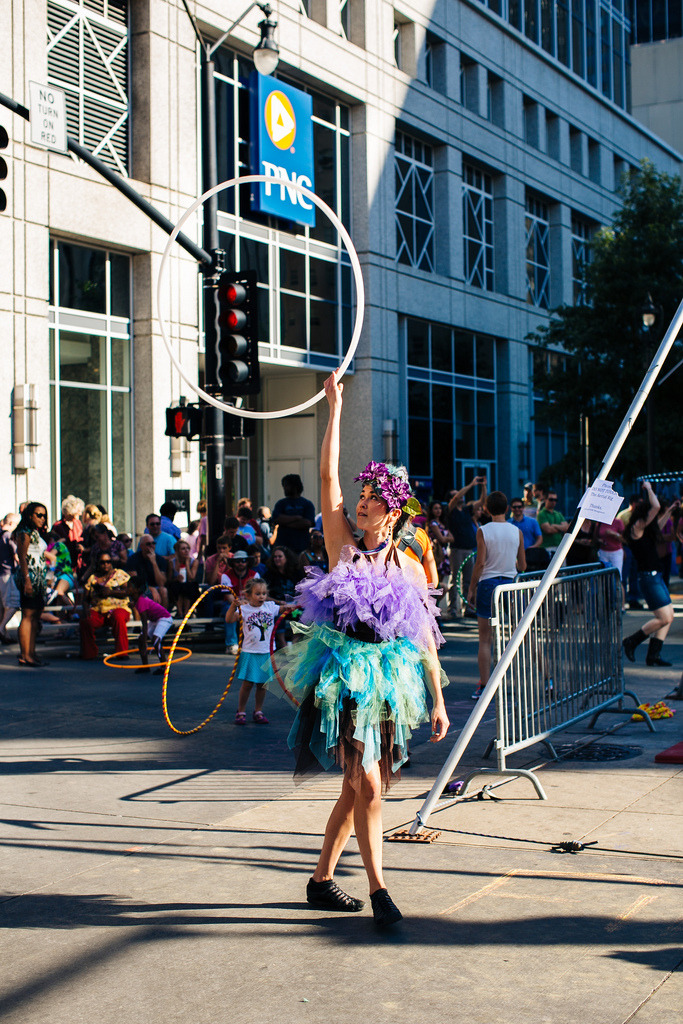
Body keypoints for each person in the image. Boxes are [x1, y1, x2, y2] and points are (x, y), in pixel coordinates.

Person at [273, 370, 449, 929]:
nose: (364, 503)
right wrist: (335, 407)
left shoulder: (408, 563)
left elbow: (422, 636)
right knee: (368, 782)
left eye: (374, 499)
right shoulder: (340, 541)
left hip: (389, 681)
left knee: (355, 793)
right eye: (363, 496)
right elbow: (327, 474)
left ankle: (321, 881)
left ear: (393, 512)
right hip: (344, 676)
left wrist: (439, 699)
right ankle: (379, 891)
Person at [467, 491, 526, 699]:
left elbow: (481, 563)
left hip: (488, 583)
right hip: (511, 583)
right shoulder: (516, 531)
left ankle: (484, 685)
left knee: (485, 639)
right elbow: (523, 565)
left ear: (487, 509)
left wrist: (471, 588)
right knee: (522, 632)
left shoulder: (483, 530)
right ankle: (546, 678)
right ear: (508, 508)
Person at [622, 481, 675, 667]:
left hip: (655, 577)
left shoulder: (645, 531)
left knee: (669, 615)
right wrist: (649, 488)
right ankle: (631, 641)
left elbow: (659, 523)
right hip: (648, 579)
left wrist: (670, 511)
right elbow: (656, 506)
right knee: (664, 617)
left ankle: (653, 655)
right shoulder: (637, 527)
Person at [227, 578, 283, 725]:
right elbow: (229, 620)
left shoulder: (270, 607)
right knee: (247, 684)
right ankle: (241, 711)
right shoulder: (244, 609)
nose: (262, 596)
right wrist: (233, 606)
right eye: (258, 593)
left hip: (266, 652)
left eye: (264, 593)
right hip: (250, 651)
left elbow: (284, 608)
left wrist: (297, 604)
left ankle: (258, 710)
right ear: (249, 595)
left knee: (262, 684)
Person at [12, 503, 50, 666]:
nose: (42, 518)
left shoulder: (35, 532)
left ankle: (31, 652)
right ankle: (25, 654)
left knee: (35, 616)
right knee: (27, 615)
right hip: (30, 578)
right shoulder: (24, 533)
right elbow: (22, 558)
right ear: (29, 516)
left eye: (44, 515)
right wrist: (27, 580)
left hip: (39, 579)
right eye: (38, 515)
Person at [447, 475, 486, 618]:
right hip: (456, 549)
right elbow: (456, 498)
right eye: (455, 495)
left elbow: (482, 501)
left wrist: (483, 486)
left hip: (468, 549)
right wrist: (471, 484)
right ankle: (452, 609)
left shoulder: (466, 510)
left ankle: (468, 608)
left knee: (468, 580)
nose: (460, 497)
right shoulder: (451, 510)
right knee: (455, 579)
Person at [79, 552, 131, 660]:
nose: (106, 564)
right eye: (102, 562)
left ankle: (122, 653)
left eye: (108, 562)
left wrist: (111, 592)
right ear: (98, 563)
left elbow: (128, 591)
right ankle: (90, 653)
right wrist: (85, 609)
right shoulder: (93, 578)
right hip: (99, 609)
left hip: (118, 608)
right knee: (86, 621)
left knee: (118, 617)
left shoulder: (120, 574)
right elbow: (85, 598)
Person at [127, 576, 173, 675]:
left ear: (137, 590)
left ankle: (164, 667)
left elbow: (144, 623)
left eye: (129, 587)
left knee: (156, 639)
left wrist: (144, 638)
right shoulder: (137, 599)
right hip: (154, 619)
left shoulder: (141, 601)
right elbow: (137, 603)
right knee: (141, 639)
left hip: (164, 618)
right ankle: (145, 666)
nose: (127, 589)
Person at [221, 550, 259, 654]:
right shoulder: (226, 575)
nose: (240, 563)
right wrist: (239, 604)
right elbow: (229, 597)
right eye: (237, 561)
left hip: (251, 603)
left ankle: (254, 642)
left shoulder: (254, 575)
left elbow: (257, 594)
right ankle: (231, 644)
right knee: (230, 611)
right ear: (233, 563)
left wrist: (247, 603)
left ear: (247, 562)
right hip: (232, 603)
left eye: (243, 561)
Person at [272, 474, 316, 555]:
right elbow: (276, 518)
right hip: (283, 547)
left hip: (301, 546)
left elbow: (307, 523)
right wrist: (297, 518)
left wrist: (285, 523)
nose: (284, 488)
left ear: (295, 486)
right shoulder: (281, 503)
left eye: (286, 485)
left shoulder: (307, 504)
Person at [125, 534, 169, 608]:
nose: (151, 546)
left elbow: (161, 583)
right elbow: (135, 582)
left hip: (157, 588)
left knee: (163, 590)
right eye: (148, 544)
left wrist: (154, 563)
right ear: (141, 546)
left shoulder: (160, 560)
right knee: (136, 593)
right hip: (141, 589)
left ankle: (164, 616)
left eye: (153, 543)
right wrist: (151, 588)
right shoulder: (133, 559)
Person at [167, 538, 200, 618]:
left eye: (187, 548)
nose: (186, 551)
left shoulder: (194, 561)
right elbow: (169, 579)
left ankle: (186, 613)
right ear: (177, 551)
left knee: (189, 587)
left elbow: (192, 577)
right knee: (176, 586)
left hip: (189, 585)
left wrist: (187, 565)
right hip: (177, 586)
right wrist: (176, 578)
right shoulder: (172, 562)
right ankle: (180, 612)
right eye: (183, 549)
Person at [0, 512, 20, 643]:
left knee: (2, 606)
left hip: (1, 573)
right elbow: (17, 555)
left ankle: (4, 634)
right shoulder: (8, 536)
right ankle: (1, 628)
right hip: (7, 573)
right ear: (12, 523)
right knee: (13, 604)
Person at [51, 495, 85, 569]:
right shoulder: (58, 526)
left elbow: (81, 537)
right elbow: (52, 544)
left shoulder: (78, 523)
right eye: (78, 512)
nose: (80, 514)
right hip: (63, 560)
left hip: (77, 561)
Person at [537, 490, 569, 555]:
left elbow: (567, 528)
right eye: (551, 499)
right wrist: (561, 529)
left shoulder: (558, 514)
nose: (553, 502)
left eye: (555, 500)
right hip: (547, 547)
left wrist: (554, 525)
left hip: (560, 546)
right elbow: (548, 530)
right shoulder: (541, 514)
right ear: (545, 500)